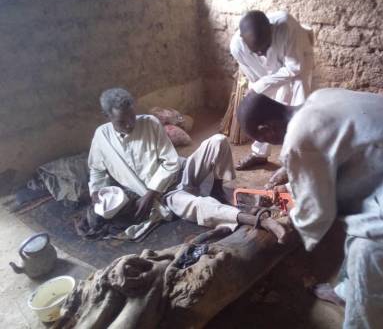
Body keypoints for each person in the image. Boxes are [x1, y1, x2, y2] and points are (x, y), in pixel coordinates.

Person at [237, 88, 383, 329]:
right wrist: (293, 168)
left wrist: (286, 221)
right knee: (357, 225)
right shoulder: (319, 98)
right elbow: (333, 147)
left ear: (267, 129)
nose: (267, 144)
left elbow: (317, 212)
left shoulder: (299, 137)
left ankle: (368, 317)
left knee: (371, 256)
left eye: (262, 139)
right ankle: (347, 292)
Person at [88, 88, 287, 241]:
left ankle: (217, 188)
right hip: (166, 196)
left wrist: (150, 191)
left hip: (180, 173)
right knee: (201, 205)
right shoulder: (101, 137)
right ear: (107, 116)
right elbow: (97, 171)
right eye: (123, 121)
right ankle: (260, 220)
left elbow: (171, 162)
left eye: (132, 117)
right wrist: (96, 191)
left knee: (218, 141)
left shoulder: (149, 123)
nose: (130, 124)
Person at [230, 10, 314, 173]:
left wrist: (261, 87)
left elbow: (293, 69)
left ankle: (299, 159)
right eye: (257, 51)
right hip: (270, 73)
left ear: (271, 28)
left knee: (299, 107)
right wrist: (259, 95)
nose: (262, 53)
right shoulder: (237, 47)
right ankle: (259, 154)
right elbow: (256, 78)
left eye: (265, 47)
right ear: (243, 39)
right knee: (265, 111)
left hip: (298, 63)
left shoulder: (287, 27)